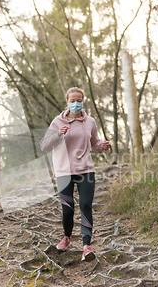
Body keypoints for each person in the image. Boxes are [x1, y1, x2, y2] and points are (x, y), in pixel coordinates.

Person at [40, 87, 110, 262]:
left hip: (85, 169)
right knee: (68, 209)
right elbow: (44, 145)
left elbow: (94, 143)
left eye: (79, 100)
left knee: (86, 205)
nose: (76, 103)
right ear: (67, 102)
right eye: (72, 100)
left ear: (83, 101)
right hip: (64, 172)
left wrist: (101, 146)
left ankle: (86, 246)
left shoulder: (90, 122)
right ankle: (67, 238)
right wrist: (58, 134)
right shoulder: (57, 121)